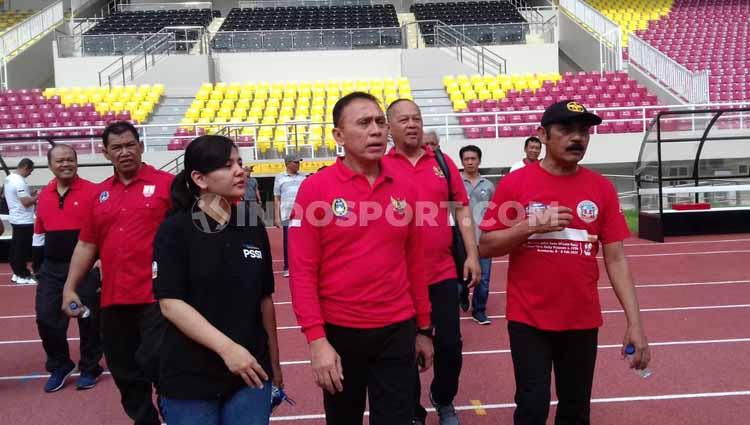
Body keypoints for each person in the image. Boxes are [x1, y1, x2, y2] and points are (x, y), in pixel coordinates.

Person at [479, 100, 651, 425]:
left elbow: (616, 259)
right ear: (542, 135)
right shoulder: (516, 183)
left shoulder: (601, 188)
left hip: (581, 320)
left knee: (575, 410)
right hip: (529, 319)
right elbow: (486, 245)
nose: (577, 138)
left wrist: (635, 324)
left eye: (584, 131)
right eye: (566, 130)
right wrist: (531, 225)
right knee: (532, 407)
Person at [289, 92, 433, 425]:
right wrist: (317, 341)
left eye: (381, 122)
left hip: (398, 330)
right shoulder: (315, 189)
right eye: (364, 123)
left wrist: (423, 329)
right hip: (341, 332)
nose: (376, 131)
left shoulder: (404, 187)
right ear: (338, 135)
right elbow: (302, 272)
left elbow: (414, 262)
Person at [153, 135, 282, 425]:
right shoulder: (175, 230)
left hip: (251, 374)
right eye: (228, 165)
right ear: (199, 178)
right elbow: (171, 303)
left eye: (240, 163)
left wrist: (274, 365)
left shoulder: (252, 224)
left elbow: (264, 300)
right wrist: (229, 350)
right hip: (190, 376)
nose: (240, 171)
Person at [62, 121, 173, 425]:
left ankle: (174, 409)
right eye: (117, 148)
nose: (125, 152)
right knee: (123, 370)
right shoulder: (99, 196)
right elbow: (86, 245)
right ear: (106, 152)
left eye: (129, 145)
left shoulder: (168, 185)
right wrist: (69, 288)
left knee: (158, 360)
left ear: (140, 146)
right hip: (113, 299)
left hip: (158, 296)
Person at [384, 99, 480, 425]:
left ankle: (443, 398)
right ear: (389, 128)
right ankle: (412, 412)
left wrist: (471, 255)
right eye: (404, 120)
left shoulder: (442, 161)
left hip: (441, 272)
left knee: (450, 346)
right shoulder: (380, 166)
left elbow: (462, 209)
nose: (412, 124)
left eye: (417, 118)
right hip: (398, 278)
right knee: (403, 351)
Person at [34, 144, 103, 393]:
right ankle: (60, 365)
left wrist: (101, 258)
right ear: (50, 165)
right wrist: (37, 264)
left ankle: (89, 367)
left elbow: (103, 229)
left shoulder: (94, 192)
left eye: (70, 160)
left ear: (77, 162)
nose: (65, 164)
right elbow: (40, 233)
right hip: (52, 269)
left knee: (88, 319)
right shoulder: (44, 195)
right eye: (60, 161)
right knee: (46, 317)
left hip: (85, 267)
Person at [459, 145, 495, 325]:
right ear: (462, 162)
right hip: (460, 240)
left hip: (484, 239)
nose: (470, 162)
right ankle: (463, 293)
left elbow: (495, 211)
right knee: (461, 277)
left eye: (473, 159)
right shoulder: (455, 183)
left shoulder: (488, 185)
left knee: (484, 278)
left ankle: (479, 310)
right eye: (467, 159)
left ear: (479, 161)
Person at [5, 157, 38, 285]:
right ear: (25, 167)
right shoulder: (19, 181)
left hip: (16, 217)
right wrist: (38, 196)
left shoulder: (9, 178)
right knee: (21, 249)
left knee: (16, 247)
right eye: (30, 171)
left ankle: (16, 273)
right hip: (23, 219)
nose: (30, 174)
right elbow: (25, 202)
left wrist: (30, 194)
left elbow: (14, 196)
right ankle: (22, 274)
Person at [272, 154, 305, 278]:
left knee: (304, 242)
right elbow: (277, 198)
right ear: (288, 163)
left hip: (303, 214)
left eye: (298, 162)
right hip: (287, 214)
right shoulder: (279, 178)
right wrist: (277, 217)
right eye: (296, 162)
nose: (298, 164)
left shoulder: (303, 177)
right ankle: (288, 266)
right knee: (288, 241)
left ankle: (302, 266)